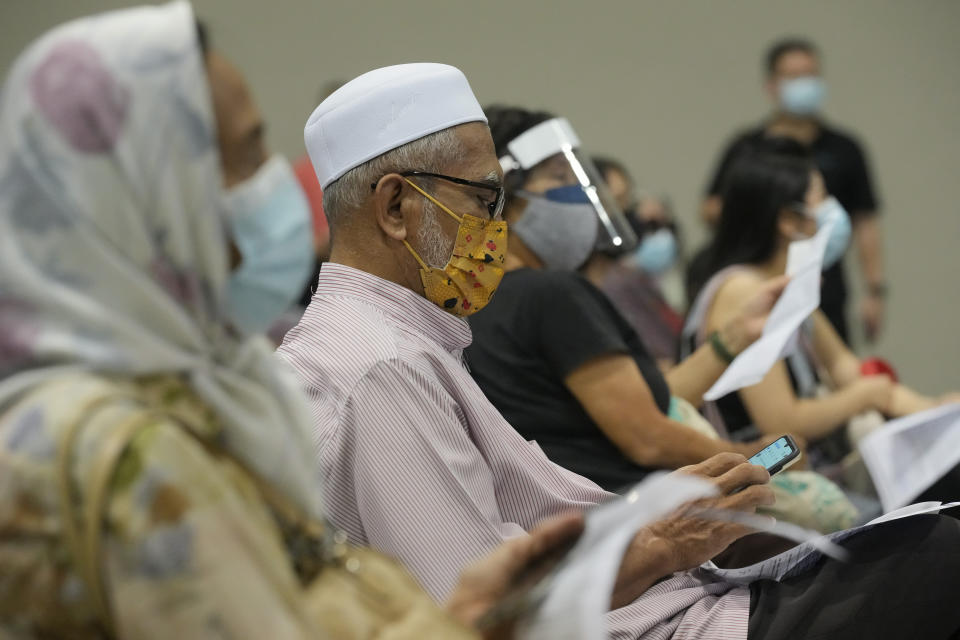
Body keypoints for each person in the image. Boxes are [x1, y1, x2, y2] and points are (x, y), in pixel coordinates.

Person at [280, 64, 960, 639]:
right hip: (658, 626)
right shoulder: (383, 367)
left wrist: (672, 527)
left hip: (666, 599)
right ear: (396, 207)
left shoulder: (392, 341)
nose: (497, 227)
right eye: (487, 198)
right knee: (941, 557)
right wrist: (660, 545)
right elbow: (480, 614)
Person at [0, 6, 586, 638]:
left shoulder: (201, 390)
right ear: (151, 189)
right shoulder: (128, 449)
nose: (277, 184)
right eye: (249, 154)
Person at [685, 149, 960, 491]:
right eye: (822, 198)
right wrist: (868, 395)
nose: (834, 210)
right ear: (788, 219)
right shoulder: (742, 290)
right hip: (767, 479)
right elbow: (782, 421)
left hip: (811, 469)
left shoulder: (786, 281)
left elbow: (844, 365)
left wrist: (934, 410)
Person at [701, 38, 886, 345]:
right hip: (763, 273)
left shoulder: (844, 149)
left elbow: (865, 221)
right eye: (794, 76)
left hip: (825, 285)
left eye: (810, 74)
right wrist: (762, 209)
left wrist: (875, 290)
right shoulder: (747, 148)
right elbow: (710, 207)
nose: (805, 84)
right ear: (772, 85)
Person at [590, 156, 684, 368]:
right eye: (613, 201)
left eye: (626, 201)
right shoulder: (612, 286)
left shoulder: (632, 279)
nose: (623, 214)